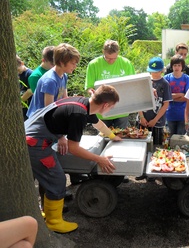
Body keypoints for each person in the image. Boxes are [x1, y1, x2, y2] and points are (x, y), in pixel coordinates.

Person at [25, 84, 122, 233]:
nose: (111, 110)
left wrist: (113, 137)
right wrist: (99, 159)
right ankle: (54, 222)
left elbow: (98, 124)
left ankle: (46, 210)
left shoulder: (85, 103)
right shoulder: (79, 115)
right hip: (35, 143)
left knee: (48, 177)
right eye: (111, 107)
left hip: (32, 135)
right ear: (105, 105)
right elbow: (74, 148)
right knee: (57, 179)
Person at [85, 39, 135, 129]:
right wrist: (92, 93)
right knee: (102, 138)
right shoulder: (93, 64)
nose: (111, 61)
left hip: (122, 110)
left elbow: (134, 84)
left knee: (121, 137)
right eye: (108, 58)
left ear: (118, 53)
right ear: (103, 52)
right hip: (102, 111)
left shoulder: (126, 63)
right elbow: (89, 87)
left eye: (114, 58)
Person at [26, 43, 79, 119]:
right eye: (73, 63)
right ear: (61, 63)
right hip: (39, 120)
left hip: (52, 114)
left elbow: (64, 99)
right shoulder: (50, 81)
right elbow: (49, 109)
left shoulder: (64, 76)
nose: (75, 66)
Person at [138, 57, 172, 146]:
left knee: (156, 145)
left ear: (162, 70)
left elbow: (166, 104)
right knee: (141, 144)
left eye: (156, 71)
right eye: (152, 71)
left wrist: (155, 120)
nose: (154, 73)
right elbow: (138, 100)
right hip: (143, 119)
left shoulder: (165, 84)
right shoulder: (144, 81)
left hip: (158, 121)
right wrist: (141, 117)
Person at [164, 54, 189, 136]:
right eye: (175, 65)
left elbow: (187, 97)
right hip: (169, 114)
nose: (176, 67)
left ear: (182, 67)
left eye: (179, 65)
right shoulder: (166, 78)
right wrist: (180, 94)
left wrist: (171, 97)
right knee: (169, 139)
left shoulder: (187, 79)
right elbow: (165, 96)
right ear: (171, 66)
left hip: (182, 115)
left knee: (180, 139)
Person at [17, 55, 33, 121]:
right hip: (21, 109)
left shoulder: (29, 74)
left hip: (29, 108)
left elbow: (30, 91)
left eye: (17, 69)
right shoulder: (17, 74)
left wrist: (19, 101)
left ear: (22, 63)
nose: (17, 72)